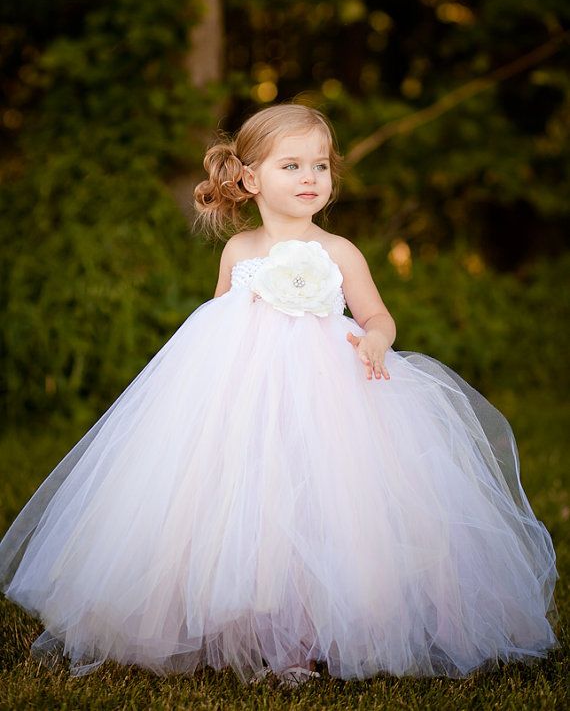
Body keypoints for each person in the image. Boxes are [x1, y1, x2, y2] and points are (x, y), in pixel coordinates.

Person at [0, 102, 560, 688]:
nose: (310, 178)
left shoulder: (340, 251)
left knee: (326, 504)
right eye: (291, 165)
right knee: (250, 508)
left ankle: (315, 632)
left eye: (320, 165)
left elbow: (378, 316)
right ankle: (251, 627)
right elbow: (216, 323)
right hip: (247, 401)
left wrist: (375, 340)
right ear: (249, 179)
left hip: (330, 400)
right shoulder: (239, 252)